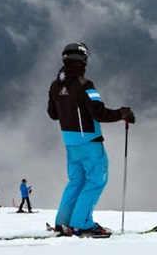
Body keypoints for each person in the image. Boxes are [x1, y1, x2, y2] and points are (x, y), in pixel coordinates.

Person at [48, 42, 136, 237]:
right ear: (83, 60)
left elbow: (53, 114)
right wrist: (123, 114)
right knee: (96, 180)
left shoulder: (55, 85)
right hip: (89, 140)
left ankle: (63, 223)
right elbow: (99, 113)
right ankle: (82, 224)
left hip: (70, 141)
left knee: (76, 180)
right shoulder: (84, 85)